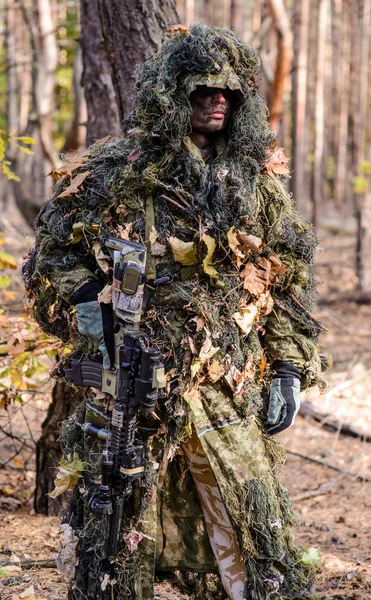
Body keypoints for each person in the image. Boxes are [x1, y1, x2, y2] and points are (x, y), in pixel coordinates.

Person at [24, 23, 326, 600]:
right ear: (173, 93)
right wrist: (97, 309)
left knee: (245, 516)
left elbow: (285, 280)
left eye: (229, 93)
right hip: (126, 384)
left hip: (220, 379)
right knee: (116, 527)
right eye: (203, 89)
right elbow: (51, 259)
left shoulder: (254, 183)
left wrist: (287, 369)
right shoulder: (116, 170)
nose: (217, 100)